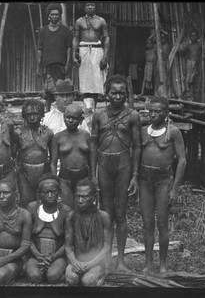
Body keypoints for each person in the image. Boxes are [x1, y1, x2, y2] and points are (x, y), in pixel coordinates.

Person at [90, 74, 141, 272]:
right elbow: (93, 144)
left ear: (126, 94)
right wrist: (93, 175)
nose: (118, 96)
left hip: (123, 166)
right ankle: (106, 259)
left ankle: (120, 260)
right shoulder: (99, 115)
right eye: (114, 92)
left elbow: (137, 147)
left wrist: (135, 176)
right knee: (106, 214)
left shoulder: (133, 116)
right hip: (103, 166)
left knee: (120, 213)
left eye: (122, 93)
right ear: (106, 94)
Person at [140, 96, 186, 274]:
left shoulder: (173, 132)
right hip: (145, 180)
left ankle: (163, 264)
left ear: (166, 113)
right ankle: (148, 263)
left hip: (163, 181)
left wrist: (174, 188)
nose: (153, 114)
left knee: (162, 223)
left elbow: (182, 160)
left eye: (158, 111)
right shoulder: (143, 131)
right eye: (151, 111)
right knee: (147, 223)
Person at [65, 178, 112, 286]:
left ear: (93, 198)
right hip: (77, 261)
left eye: (84, 197)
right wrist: (74, 262)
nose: (80, 200)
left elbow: (106, 247)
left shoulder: (104, 217)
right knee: (72, 279)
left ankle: (103, 275)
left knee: (88, 281)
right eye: (78, 196)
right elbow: (67, 246)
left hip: (96, 262)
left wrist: (90, 264)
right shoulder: (71, 216)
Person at [25, 173, 71, 284]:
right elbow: (27, 238)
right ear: (39, 193)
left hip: (57, 256)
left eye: (53, 192)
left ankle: (62, 273)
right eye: (46, 192)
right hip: (36, 255)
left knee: (53, 277)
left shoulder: (66, 211)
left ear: (58, 192)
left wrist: (53, 257)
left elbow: (68, 242)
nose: (50, 195)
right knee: (34, 276)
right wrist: (37, 255)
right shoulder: (31, 208)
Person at [50, 103, 94, 208]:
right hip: (65, 178)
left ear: (80, 120)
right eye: (67, 117)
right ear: (63, 118)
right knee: (67, 209)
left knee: (82, 208)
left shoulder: (85, 135)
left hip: (83, 177)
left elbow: (91, 159)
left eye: (74, 118)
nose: (70, 121)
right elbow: (53, 163)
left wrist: (93, 177)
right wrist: (55, 181)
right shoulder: (58, 137)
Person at [14, 99, 54, 207]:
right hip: (24, 173)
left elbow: (53, 159)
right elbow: (12, 156)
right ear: (24, 115)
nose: (32, 117)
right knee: (27, 203)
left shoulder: (48, 133)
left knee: (44, 203)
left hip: (44, 171)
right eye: (29, 114)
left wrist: (53, 177)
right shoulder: (18, 133)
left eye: (35, 114)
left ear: (41, 114)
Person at [72, 2, 110, 109]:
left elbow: (106, 38)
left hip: (97, 50)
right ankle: (87, 109)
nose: (90, 7)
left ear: (96, 7)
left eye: (92, 5)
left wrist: (105, 56)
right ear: (84, 8)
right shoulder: (79, 21)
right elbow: (75, 38)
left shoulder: (101, 21)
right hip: (83, 50)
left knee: (96, 81)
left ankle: (93, 108)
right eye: (87, 5)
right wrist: (73, 54)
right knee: (84, 80)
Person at [36, 3, 72, 111]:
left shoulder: (65, 30)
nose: (55, 16)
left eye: (57, 14)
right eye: (52, 14)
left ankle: (61, 112)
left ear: (60, 15)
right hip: (47, 66)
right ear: (49, 16)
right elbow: (39, 50)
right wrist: (39, 66)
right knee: (48, 91)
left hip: (60, 65)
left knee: (60, 89)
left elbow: (69, 49)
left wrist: (67, 64)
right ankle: (48, 113)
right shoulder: (43, 31)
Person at [179, 30, 203, 100]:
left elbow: (204, 53)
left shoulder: (200, 45)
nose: (193, 37)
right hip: (189, 63)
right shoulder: (188, 45)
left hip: (196, 63)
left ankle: (190, 94)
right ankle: (187, 93)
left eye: (194, 36)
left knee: (192, 80)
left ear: (197, 36)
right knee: (188, 79)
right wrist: (181, 48)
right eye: (192, 36)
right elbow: (182, 51)